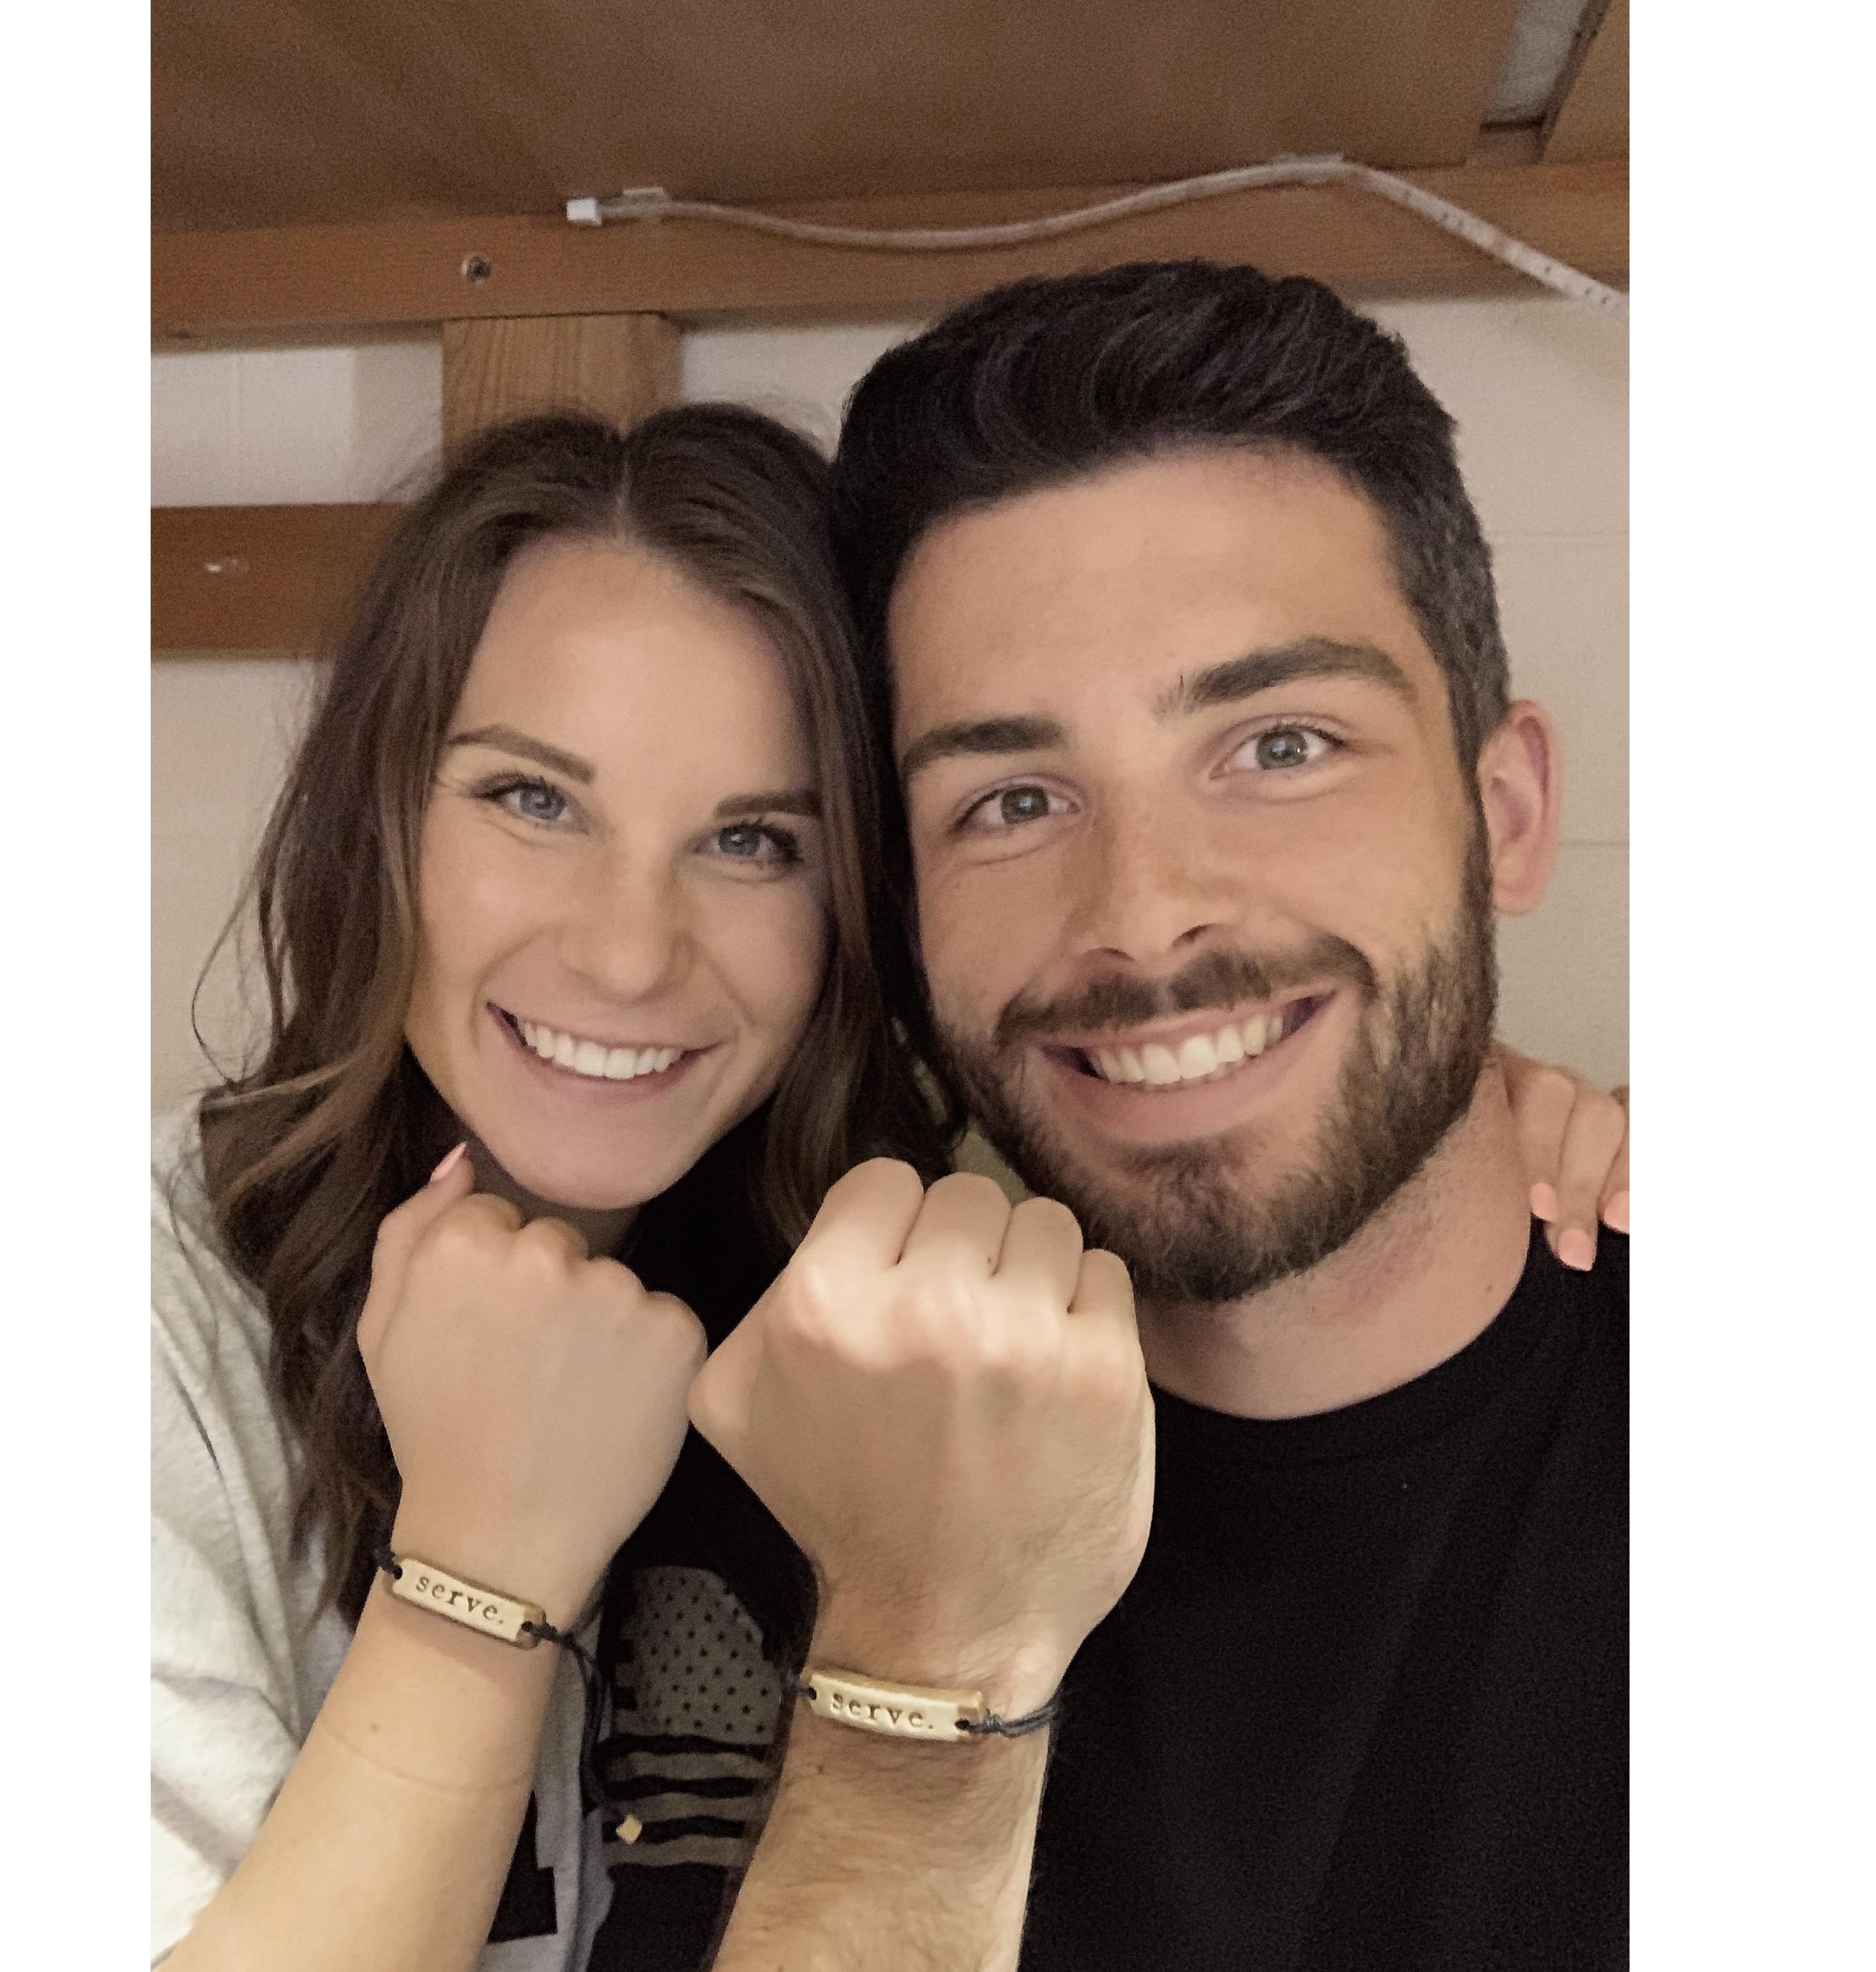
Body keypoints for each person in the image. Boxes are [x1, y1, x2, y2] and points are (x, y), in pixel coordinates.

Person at [152, 386, 1624, 1968]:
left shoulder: (843, 1322)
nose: (628, 951)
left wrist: (1437, 1104)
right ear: (373, 818)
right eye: (531, 797)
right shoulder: (152, 1336)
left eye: (754, 840)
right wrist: (474, 1577)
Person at [681, 259, 1628, 1971]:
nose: (1141, 914)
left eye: (1279, 746)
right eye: (1011, 799)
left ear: (1502, 814)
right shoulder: (773, 1474)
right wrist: (922, 1662)